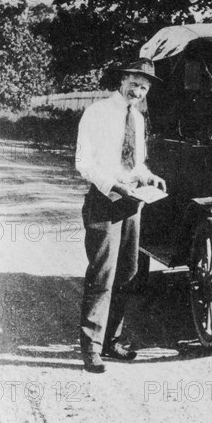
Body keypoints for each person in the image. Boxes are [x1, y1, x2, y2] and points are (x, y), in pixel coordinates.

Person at [76, 58, 166, 373]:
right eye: (134, 83)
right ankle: (91, 348)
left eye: (144, 87)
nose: (138, 91)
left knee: (127, 273)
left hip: (132, 203)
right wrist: (113, 185)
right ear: (123, 79)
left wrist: (148, 177)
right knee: (102, 275)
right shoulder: (96, 113)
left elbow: (135, 164)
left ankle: (111, 340)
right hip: (104, 202)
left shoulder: (137, 120)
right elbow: (84, 163)